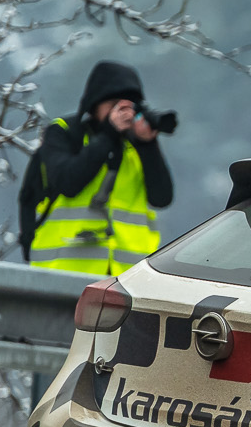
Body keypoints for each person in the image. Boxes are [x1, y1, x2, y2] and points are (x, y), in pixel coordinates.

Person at [23, 60, 174, 273]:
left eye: (129, 105)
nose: (123, 113)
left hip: (126, 278)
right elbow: (68, 183)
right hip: (64, 272)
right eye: (114, 104)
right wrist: (108, 134)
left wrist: (148, 144)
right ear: (95, 104)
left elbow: (162, 198)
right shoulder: (65, 133)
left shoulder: (135, 146)